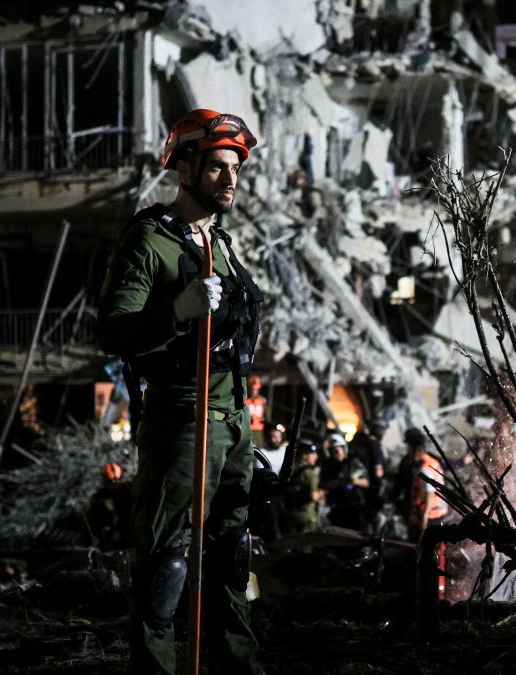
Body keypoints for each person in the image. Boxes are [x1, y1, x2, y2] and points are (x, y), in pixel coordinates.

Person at [98, 108, 265, 675]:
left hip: (233, 421)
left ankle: (240, 668)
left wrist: (251, 428)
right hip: (183, 419)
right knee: (165, 570)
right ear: (184, 166)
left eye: (236, 168)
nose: (230, 179)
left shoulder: (222, 241)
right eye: (217, 167)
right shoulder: (151, 239)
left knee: (230, 563)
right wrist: (176, 311)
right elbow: (113, 330)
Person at [394, 428, 448, 542]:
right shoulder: (433, 460)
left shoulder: (423, 468)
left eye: (408, 447)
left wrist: (423, 517)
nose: (407, 450)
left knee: (422, 546)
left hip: (428, 514)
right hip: (437, 511)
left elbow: (429, 493)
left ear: (416, 450)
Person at [320, 433, 370, 530]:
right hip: (336, 507)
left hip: (353, 506)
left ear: (343, 449)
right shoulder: (328, 465)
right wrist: (339, 482)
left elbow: (366, 482)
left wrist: (354, 481)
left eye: (337, 449)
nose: (336, 452)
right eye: (333, 450)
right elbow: (324, 484)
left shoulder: (353, 462)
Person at [249, 421, 287, 541]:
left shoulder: (284, 451)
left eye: (279, 436)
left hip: (281, 494)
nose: (277, 439)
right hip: (264, 494)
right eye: (273, 436)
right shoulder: (261, 453)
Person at [281, 441, 323, 535]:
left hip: (288, 516)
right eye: (313, 454)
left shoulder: (287, 469)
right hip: (305, 518)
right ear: (304, 455)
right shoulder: (309, 473)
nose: (316, 457)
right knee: (304, 548)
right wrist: (321, 492)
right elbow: (314, 497)